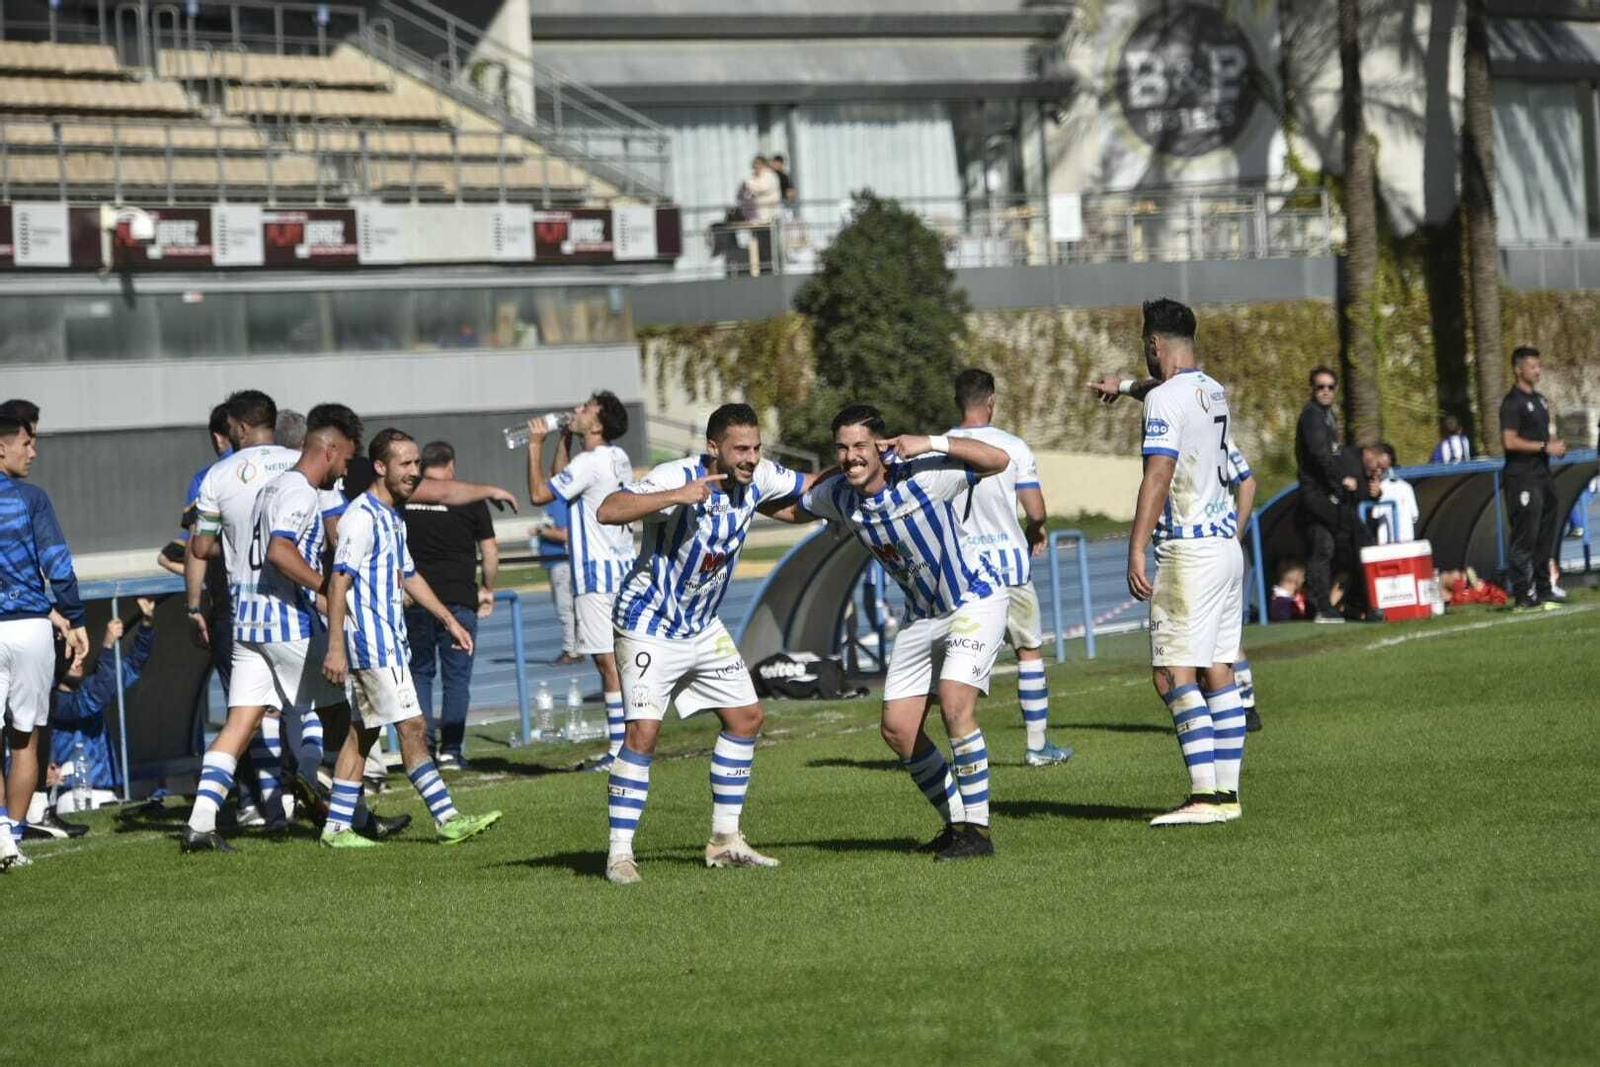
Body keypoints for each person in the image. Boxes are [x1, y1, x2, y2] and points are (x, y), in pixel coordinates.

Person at [593, 403, 818, 885]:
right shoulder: (678, 475)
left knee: (746, 718)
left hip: (702, 626)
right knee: (643, 735)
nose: (751, 457)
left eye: (756, 448)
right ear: (713, 448)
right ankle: (619, 855)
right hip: (647, 622)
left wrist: (858, 472)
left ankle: (724, 841)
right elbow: (608, 509)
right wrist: (678, 494)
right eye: (741, 449)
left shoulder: (756, 477)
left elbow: (807, 489)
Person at [180, 398, 404, 851]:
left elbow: (201, 547)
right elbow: (300, 545)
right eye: (344, 458)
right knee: (351, 712)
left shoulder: (221, 476)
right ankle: (335, 804)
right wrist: (327, 588)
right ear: (329, 449)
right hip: (286, 619)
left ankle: (200, 823)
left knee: (240, 720)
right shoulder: (300, 482)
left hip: (243, 617)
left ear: (237, 427)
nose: (345, 469)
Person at [790, 404, 1012, 862]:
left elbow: (997, 460)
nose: (851, 457)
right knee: (897, 729)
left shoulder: (924, 474)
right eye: (843, 448)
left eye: (860, 447)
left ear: (881, 447)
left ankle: (978, 831)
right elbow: (798, 503)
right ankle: (958, 824)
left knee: (954, 702)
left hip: (974, 598)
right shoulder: (841, 495)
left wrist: (930, 440)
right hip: (922, 616)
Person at [320, 429, 502, 848]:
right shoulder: (361, 517)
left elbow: (411, 575)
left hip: (390, 640)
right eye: (405, 464)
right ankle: (448, 818)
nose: (414, 472)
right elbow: (338, 582)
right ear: (380, 467)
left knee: (361, 735)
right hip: (371, 643)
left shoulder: (393, 516)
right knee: (414, 726)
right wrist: (335, 646)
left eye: (417, 463)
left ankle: (335, 829)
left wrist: (448, 620)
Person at [1124, 299, 1250, 826]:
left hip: (1189, 550)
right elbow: (1247, 479)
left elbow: (1158, 474)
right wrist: (1231, 535)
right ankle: (1225, 795)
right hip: (1225, 547)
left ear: (1155, 344)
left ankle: (1203, 796)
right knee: (1217, 667)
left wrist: (1135, 545)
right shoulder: (1212, 392)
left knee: (1172, 671)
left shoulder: (1166, 400)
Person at [947, 368, 1072, 766]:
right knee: (1028, 651)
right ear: (991, 400)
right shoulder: (1013, 446)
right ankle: (1036, 747)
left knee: (957, 662)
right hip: (1009, 567)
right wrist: (1037, 529)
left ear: (958, 401)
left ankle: (960, 749)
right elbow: (1035, 509)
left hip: (963, 572)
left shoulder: (941, 447)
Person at [525, 392, 635, 771]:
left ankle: (621, 751)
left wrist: (534, 445)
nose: (578, 410)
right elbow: (563, 480)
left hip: (597, 574)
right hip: (622, 569)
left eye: (587, 409)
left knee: (607, 662)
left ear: (599, 424)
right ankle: (628, 746)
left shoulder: (590, 463)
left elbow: (541, 493)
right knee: (621, 661)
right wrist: (564, 437)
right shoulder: (616, 457)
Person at [0, 414, 89, 869]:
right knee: (24, 741)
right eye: (26, 444)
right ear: (2, 448)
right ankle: (10, 841)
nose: (32, 453)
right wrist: (74, 615)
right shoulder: (31, 499)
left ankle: (0, 832)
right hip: (28, 626)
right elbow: (57, 560)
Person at [401, 441, 499, 769]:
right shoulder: (467, 497)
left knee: (420, 674)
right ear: (451, 465)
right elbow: (489, 550)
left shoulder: (406, 497)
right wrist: (488, 588)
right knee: (456, 679)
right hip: (459, 598)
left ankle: (423, 749)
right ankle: (451, 751)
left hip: (416, 599)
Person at [48, 598, 157, 804]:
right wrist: (107, 647)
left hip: (107, 790)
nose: (78, 658)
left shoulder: (91, 685)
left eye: (81, 653)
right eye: (72, 653)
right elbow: (89, 702)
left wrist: (146, 625)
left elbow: (132, 667)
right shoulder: (51, 700)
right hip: (71, 794)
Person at [1500, 346, 1566, 610]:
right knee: (1524, 536)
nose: (1537, 370)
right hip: (1522, 477)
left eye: (1538, 366)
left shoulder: (1540, 400)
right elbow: (1509, 440)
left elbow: (1538, 436)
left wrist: (1553, 445)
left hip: (1542, 475)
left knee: (1544, 534)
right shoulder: (1512, 402)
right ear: (1518, 369)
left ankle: (1543, 587)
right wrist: (1543, 447)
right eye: (1532, 366)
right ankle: (1523, 594)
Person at [1295, 366, 1358, 623]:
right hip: (1316, 493)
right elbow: (1320, 453)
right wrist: (1341, 481)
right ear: (1312, 389)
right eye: (1320, 386)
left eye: (1330, 387)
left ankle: (1326, 605)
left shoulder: (1327, 415)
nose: (1325, 391)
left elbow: (1333, 453)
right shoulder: (1312, 416)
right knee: (1344, 538)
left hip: (1324, 493)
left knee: (1325, 546)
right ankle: (1326, 604)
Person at [535, 495, 579, 665]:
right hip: (555, 562)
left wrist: (541, 531)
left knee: (565, 607)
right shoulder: (552, 504)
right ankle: (575, 646)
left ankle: (571, 649)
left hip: (562, 562)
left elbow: (566, 534)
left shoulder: (559, 504)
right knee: (567, 607)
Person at [1373, 443, 1420, 545]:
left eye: (1382, 468)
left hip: (1389, 544)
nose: (1378, 471)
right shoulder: (1406, 487)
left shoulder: (1403, 487)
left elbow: (1374, 515)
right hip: (1402, 542)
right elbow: (1415, 516)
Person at [739, 156, 782, 224]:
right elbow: (744, 189)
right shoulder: (752, 176)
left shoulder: (770, 175)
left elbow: (764, 188)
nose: (755, 166)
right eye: (754, 164)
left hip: (770, 210)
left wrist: (749, 186)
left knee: (769, 230)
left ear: (764, 164)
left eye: (758, 163)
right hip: (756, 211)